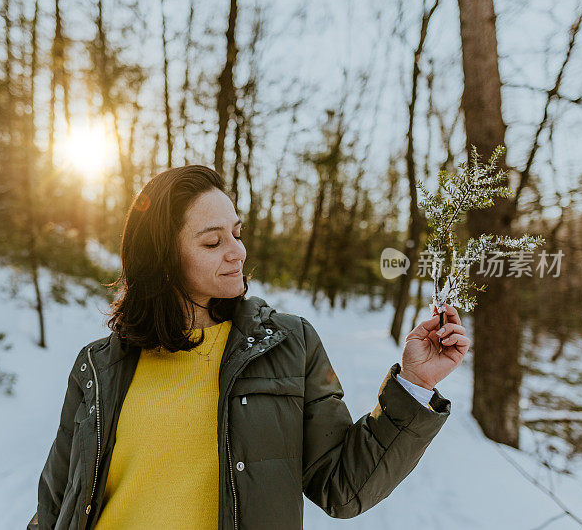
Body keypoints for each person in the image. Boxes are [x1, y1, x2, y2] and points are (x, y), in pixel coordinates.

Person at [28, 165, 470, 529]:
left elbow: (343, 487)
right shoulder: (98, 366)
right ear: (162, 257)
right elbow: (54, 505)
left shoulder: (289, 345)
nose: (238, 251)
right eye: (213, 241)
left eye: (237, 233)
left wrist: (415, 384)